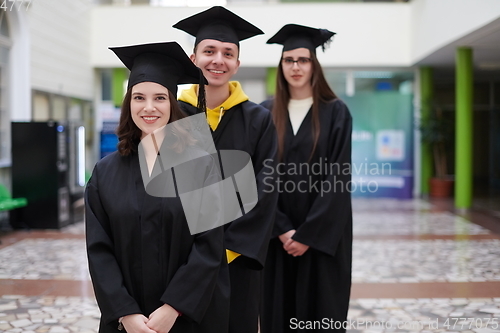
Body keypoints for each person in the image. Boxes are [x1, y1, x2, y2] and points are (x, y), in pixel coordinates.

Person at [85, 41, 229, 333]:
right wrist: (125, 313)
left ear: (172, 104)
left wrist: (174, 307)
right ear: (129, 104)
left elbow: (210, 246)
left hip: (186, 318)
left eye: (160, 98)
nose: (149, 108)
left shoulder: (202, 165)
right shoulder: (105, 172)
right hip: (126, 322)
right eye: (139, 97)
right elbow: (99, 251)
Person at [173, 6, 278, 333]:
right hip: (182, 260)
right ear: (193, 59)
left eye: (227, 53)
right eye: (209, 51)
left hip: (236, 260)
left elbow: (267, 186)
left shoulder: (259, 119)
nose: (218, 60)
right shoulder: (173, 113)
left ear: (237, 64)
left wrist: (226, 246)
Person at [260, 24, 353, 333]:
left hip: (323, 239)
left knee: (321, 314)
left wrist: (307, 235)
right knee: (278, 313)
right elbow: (259, 178)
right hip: (277, 239)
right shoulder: (264, 114)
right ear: (281, 65)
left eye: (303, 59)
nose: (296, 67)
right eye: (289, 60)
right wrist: (283, 229)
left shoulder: (336, 112)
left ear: (314, 64)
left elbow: (338, 178)